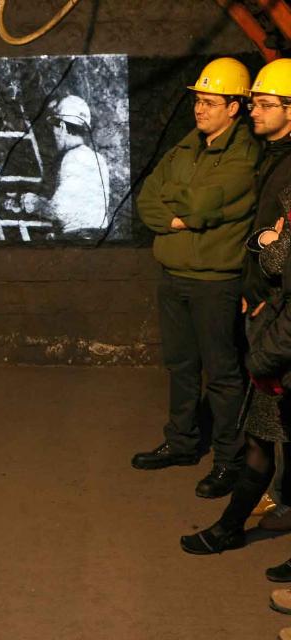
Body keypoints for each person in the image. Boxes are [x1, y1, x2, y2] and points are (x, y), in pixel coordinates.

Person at [131, 57, 260, 498]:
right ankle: (183, 442)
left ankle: (228, 460)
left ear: (234, 108)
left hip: (214, 283)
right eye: (198, 101)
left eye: (209, 102)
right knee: (181, 366)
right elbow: (148, 197)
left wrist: (185, 209)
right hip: (173, 275)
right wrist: (178, 218)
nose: (199, 110)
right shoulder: (186, 146)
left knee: (222, 374)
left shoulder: (244, 157)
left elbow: (202, 206)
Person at [180, 58, 291, 557]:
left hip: (282, 323)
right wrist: (257, 273)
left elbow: (280, 251)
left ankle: (229, 529)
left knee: (263, 434)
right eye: (254, 103)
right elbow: (265, 238)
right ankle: (244, 522)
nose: (254, 112)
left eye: (265, 104)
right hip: (271, 310)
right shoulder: (273, 157)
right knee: (267, 433)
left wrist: (268, 257)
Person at [22, 95, 110, 236]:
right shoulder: (98, 159)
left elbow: (60, 211)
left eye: (55, 127)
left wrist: (35, 203)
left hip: (78, 239)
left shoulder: (73, 158)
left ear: (62, 126)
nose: (53, 133)